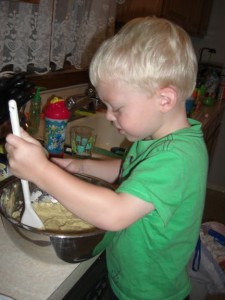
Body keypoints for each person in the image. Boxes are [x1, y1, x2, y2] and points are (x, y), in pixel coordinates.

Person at [5, 17, 208, 300]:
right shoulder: (159, 140)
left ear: (165, 99)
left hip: (148, 295)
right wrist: (82, 165)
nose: (109, 116)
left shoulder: (178, 158)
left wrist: (41, 172)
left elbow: (115, 213)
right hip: (125, 278)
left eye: (117, 107)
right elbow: (130, 170)